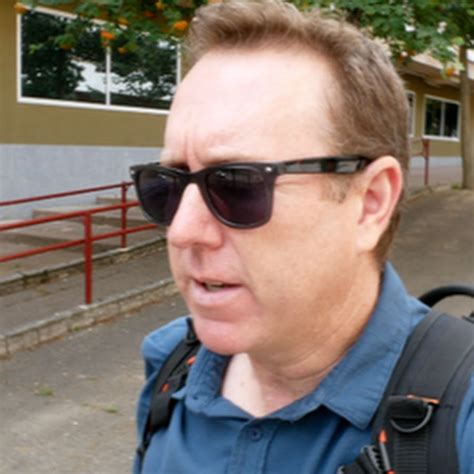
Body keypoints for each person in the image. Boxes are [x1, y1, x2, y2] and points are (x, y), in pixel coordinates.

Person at [132, 1, 473, 472]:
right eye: (165, 185)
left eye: (237, 184)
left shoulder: (460, 419)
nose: (183, 231)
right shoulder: (170, 366)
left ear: (370, 202)